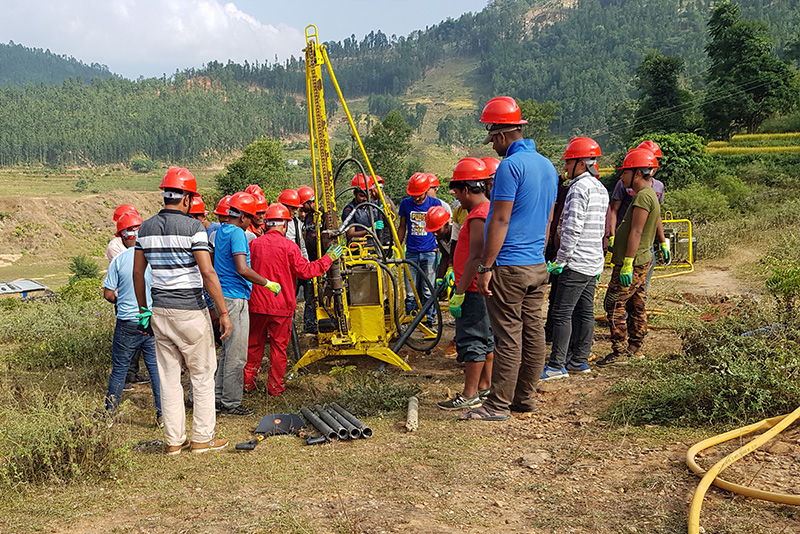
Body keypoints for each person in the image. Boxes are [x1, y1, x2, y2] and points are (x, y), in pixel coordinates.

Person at [463, 96, 558, 421]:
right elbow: (547, 219)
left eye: (493, 140)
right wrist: (540, 255)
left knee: (507, 336)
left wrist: (487, 266)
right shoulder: (547, 166)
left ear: (502, 135)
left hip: (509, 266)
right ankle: (525, 399)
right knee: (533, 333)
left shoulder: (510, 167)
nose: (493, 147)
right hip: (536, 264)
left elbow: (500, 220)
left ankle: (497, 405)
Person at [133, 167, 232, 455]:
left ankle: (173, 441)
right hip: (190, 311)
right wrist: (223, 312)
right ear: (187, 199)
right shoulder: (194, 228)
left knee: (169, 377)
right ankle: (202, 438)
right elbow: (207, 271)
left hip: (160, 311)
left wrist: (143, 311)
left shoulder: (145, 228)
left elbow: (138, 273)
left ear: (165, 195)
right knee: (202, 374)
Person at [245, 203, 342, 396]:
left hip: (256, 304)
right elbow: (306, 272)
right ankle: (275, 388)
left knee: (253, 345)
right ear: (285, 225)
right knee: (279, 348)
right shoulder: (290, 247)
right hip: (281, 307)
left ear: (267, 224)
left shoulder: (253, 244)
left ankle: (247, 384)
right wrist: (328, 259)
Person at [541, 137, 608, 380]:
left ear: (581, 163)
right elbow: (601, 227)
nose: (566, 168)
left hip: (576, 261)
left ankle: (557, 364)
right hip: (592, 261)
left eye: (568, 163)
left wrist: (561, 259)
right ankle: (579, 359)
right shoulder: (600, 188)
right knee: (585, 311)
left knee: (561, 312)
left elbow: (572, 227)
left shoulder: (579, 189)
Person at [598, 149, 670, 366]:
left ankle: (619, 351)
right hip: (642, 259)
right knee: (636, 304)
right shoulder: (651, 194)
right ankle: (635, 348)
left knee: (614, 304)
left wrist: (627, 263)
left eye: (625, 173)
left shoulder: (642, 197)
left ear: (637, 173)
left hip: (634, 261)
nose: (621, 177)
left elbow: (636, 232)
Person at [212, 192, 280, 416]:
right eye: (251, 218)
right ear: (242, 217)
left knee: (227, 351)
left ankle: (219, 397)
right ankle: (231, 403)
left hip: (224, 295)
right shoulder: (239, 234)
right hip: (235, 296)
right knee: (238, 354)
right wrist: (266, 282)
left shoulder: (221, 230)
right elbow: (242, 268)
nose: (252, 222)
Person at [438, 158, 494, 410]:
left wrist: (459, 292)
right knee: (486, 338)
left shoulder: (480, 215)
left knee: (473, 340)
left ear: (468, 189)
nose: (457, 199)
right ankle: (484, 386)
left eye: (458, 193)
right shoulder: (484, 211)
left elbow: (477, 256)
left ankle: (470, 394)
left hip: (472, 289)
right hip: (473, 286)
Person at [103, 212, 162, 426]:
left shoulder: (118, 260)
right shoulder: (154, 257)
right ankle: (161, 414)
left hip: (127, 322)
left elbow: (109, 294)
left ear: (123, 236)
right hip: (151, 320)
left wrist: (121, 301)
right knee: (155, 369)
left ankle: (109, 415)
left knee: (119, 369)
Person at [606, 140, 667, 295]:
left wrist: (663, 242)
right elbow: (614, 210)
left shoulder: (657, 187)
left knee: (636, 293)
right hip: (627, 241)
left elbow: (656, 216)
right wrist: (612, 235)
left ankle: (626, 319)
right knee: (625, 293)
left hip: (644, 244)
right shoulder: (625, 183)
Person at [398, 172, 443, 324]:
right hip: (411, 252)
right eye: (413, 195)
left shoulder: (435, 204)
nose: (416, 198)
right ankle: (411, 319)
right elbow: (402, 226)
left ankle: (428, 319)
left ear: (426, 190)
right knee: (410, 291)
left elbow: (441, 227)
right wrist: (397, 246)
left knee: (427, 289)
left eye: (419, 195)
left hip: (430, 252)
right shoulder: (405, 204)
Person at [341, 174, 389, 246]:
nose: (365, 199)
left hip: (376, 248)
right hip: (357, 251)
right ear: (355, 194)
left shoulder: (374, 206)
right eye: (362, 196)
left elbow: (386, 226)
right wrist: (370, 230)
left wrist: (384, 214)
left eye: (368, 195)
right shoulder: (349, 210)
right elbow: (350, 234)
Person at [298, 185, 321, 334]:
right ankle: (310, 325)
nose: (302, 209)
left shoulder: (323, 215)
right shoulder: (308, 217)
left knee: (322, 292)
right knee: (310, 294)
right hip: (309, 262)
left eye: (303, 205)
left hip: (322, 261)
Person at [425, 205, 458, 285]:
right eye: (432, 231)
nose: (435, 234)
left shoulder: (457, 234)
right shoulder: (441, 236)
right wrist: (439, 277)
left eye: (437, 230)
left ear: (446, 225)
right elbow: (445, 256)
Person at [278, 189, 309, 259]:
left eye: (296, 209)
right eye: (293, 208)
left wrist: (306, 261)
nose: (295, 212)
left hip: (294, 260)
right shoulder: (275, 222)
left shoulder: (297, 222)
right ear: (284, 206)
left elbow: (302, 245)